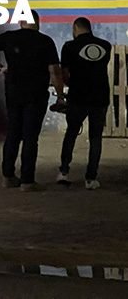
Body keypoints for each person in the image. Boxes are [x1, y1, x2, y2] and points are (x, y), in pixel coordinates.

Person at [0, 10, 64, 191]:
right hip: (36, 94)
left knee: (13, 134)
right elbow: (54, 71)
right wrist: (60, 94)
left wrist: (0, 68)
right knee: (30, 137)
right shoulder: (45, 41)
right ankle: (27, 181)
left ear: (21, 22)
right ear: (38, 22)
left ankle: (8, 177)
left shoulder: (9, 37)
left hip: (13, 93)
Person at [56, 17, 112, 190]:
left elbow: (64, 73)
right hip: (100, 97)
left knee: (71, 133)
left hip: (78, 96)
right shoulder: (106, 46)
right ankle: (91, 178)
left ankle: (64, 172)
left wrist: (67, 88)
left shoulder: (69, 47)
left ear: (75, 29)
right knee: (95, 138)